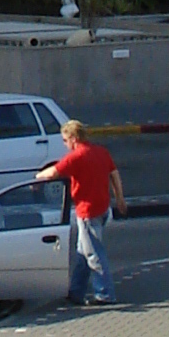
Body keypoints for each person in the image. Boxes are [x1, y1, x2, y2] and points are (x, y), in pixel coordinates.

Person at [38, 118, 126, 305]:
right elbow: (114, 174)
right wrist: (119, 198)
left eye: (64, 140)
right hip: (102, 209)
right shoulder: (101, 152)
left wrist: (38, 176)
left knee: (94, 254)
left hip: (87, 212)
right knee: (82, 252)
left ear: (73, 138)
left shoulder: (76, 157)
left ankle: (105, 294)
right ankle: (76, 291)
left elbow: (54, 172)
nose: (64, 144)